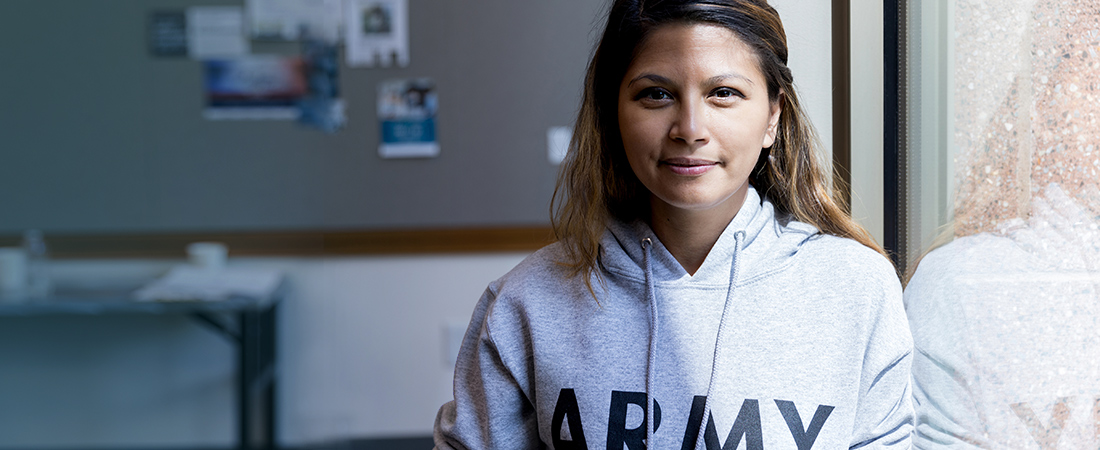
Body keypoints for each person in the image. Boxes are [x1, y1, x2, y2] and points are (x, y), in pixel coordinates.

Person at [434, 0, 914, 448]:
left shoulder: (857, 289)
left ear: (773, 116)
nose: (689, 129)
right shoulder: (526, 303)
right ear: (613, 115)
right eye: (656, 94)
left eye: (723, 93)